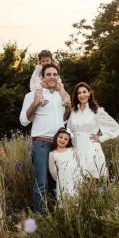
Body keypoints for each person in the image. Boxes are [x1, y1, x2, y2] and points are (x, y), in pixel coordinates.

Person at [19, 62, 72, 213]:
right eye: (48, 74)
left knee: (58, 182)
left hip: (58, 146)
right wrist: (36, 103)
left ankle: (57, 215)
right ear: (42, 77)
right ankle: (40, 218)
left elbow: (65, 119)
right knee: (41, 183)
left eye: (55, 75)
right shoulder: (31, 95)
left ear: (58, 77)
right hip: (41, 144)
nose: (52, 77)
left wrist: (68, 107)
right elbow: (23, 121)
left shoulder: (60, 95)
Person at [68, 82, 119, 179]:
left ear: (89, 93)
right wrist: (71, 137)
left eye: (84, 92)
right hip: (76, 148)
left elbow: (115, 127)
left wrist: (101, 138)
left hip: (91, 147)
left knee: (93, 179)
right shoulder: (73, 111)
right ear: (76, 95)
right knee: (78, 179)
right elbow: (68, 128)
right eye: (79, 93)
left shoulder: (97, 111)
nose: (82, 95)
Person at [48, 128, 82, 199]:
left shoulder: (72, 150)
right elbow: (53, 171)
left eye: (66, 139)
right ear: (56, 137)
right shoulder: (53, 154)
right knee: (65, 197)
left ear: (68, 142)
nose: (62, 140)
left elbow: (78, 162)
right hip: (63, 179)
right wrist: (60, 177)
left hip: (75, 177)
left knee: (76, 196)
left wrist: (78, 174)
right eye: (60, 137)